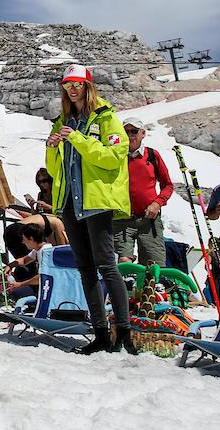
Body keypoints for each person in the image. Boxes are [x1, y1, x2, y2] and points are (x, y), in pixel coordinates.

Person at [45, 63, 135, 354]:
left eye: (77, 84)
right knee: (84, 269)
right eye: (67, 84)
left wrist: (78, 139)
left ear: (88, 86)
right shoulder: (62, 121)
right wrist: (51, 147)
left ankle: (123, 332)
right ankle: (99, 333)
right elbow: (53, 169)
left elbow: (113, 157)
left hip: (96, 202)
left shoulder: (106, 117)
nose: (72, 89)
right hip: (70, 202)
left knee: (107, 266)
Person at [111, 117, 173, 268]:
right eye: (126, 131)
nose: (130, 135)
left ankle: (148, 291)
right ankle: (126, 290)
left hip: (149, 220)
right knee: (124, 264)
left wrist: (157, 204)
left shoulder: (152, 155)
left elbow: (168, 185)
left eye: (134, 131)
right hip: (122, 220)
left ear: (142, 133)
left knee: (154, 267)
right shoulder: (114, 156)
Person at [3, 223, 51, 301]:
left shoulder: (45, 252)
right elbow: (24, 260)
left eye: (24, 239)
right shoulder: (38, 249)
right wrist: (10, 266)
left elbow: (41, 277)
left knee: (15, 294)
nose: (23, 242)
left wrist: (20, 284)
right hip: (44, 286)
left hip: (48, 289)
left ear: (31, 239)